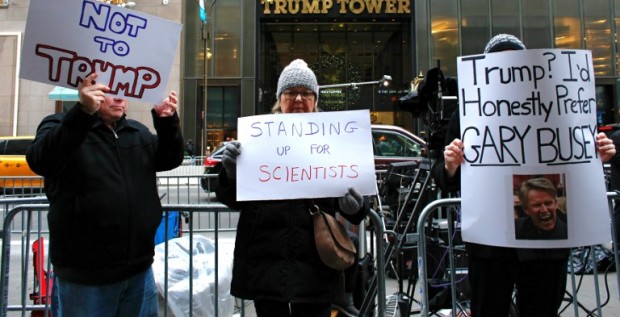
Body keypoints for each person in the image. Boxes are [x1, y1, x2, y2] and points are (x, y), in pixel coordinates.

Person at [433, 34, 616, 317]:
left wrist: (597, 157)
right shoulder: (469, 112)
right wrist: (450, 164)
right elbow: (446, 179)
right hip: (491, 245)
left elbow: (574, 163)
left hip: (546, 248)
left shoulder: (559, 107)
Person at [216, 59, 369, 317]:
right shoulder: (257, 138)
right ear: (279, 98)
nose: (298, 98)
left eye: (306, 92)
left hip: (316, 264)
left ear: (315, 99)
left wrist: (355, 206)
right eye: (290, 92)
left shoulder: (336, 139)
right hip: (266, 260)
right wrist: (231, 172)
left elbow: (358, 206)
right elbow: (233, 200)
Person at [26, 72, 185, 317]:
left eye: (125, 93)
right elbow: (41, 160)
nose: (120, 99)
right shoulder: (59, 125)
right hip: (85, 277)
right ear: (91, 90)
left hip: (139, 272)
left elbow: (169, 157)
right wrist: (82, 113)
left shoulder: (137, 132)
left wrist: (166, 121)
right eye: (112, 92)